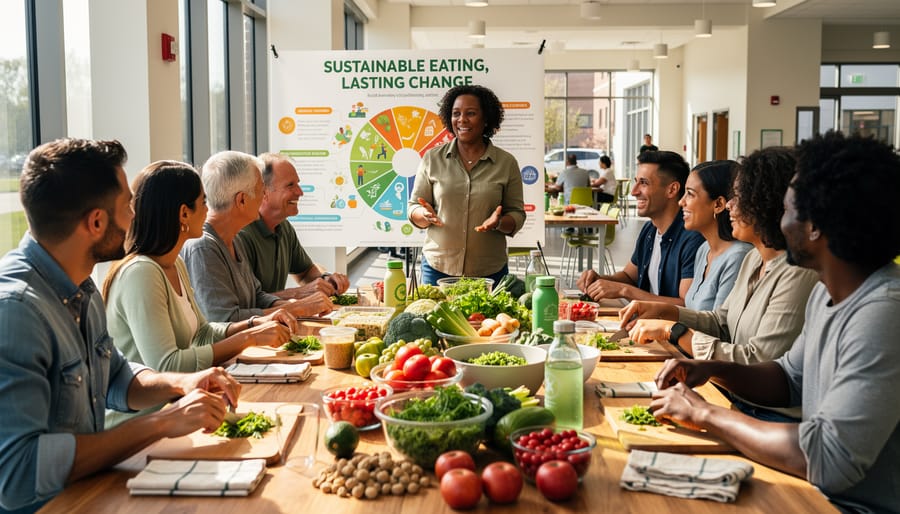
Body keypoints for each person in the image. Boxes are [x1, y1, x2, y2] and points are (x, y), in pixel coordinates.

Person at [648, 131, 900, 513]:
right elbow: (789, 378)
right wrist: (708, 368)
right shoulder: (826, 292)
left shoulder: (882, 313)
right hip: (809, 488)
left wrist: (704, 413)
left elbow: (829, 458)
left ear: (814, 226)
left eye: (786, 210)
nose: (779, 224)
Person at [0, 139, 240, 513]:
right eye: (128, 204)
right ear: (96, 222)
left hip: (96, 489)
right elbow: (17, 474)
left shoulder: (79, 285)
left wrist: (181, 382)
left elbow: (116, 379)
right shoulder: (15, 312)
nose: (135, 213)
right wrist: (162, 422)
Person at [102, 161, 299, 427]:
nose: (209, 210)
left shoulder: (175, 264)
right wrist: (249, 338)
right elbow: (167, 364)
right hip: (145, 427)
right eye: (203, 202)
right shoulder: (142, 273)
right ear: (184, 213)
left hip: (182, 411)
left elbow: (203, 333)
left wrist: (253, 324)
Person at [181, 151, 333, 323]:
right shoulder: (203, 248)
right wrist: (296, 307)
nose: (263, 198)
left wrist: (296, 304)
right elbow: (224, 319)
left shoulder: (233, 239)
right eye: (261, 190)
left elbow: (256, 296)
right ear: (242, 200)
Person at [408, 84, 526, 285]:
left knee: (490, 319)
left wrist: (498, 223)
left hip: (490, 271)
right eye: (456, 113)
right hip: (438, 268)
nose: (462, 119)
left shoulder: (506, 163)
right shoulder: (432, 159)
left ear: (486, 118)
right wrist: (424, 215)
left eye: (470, 113)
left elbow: (517, 214)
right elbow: (413, 208)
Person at [577, 150, 705, 305]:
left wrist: (624, 290)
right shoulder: (649, 230)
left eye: (644, 183)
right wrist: (600, 280)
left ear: (672, 190)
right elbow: (629, 276)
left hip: (665, 327)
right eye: (636, 181)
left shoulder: (693, 239)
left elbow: (686, 305)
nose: (634, 191)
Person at [237, 153, 350, 300]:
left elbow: (305, 272)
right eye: (290, 185)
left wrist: (326, 278)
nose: (300, 192)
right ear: (263, 192)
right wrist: (298, 293)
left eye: (297, 184)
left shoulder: (283, 226)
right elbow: (246, 302)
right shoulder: (241, 235)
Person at [680, 160, 752, 310]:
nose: (681, 202)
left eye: (690, 194)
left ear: (718, 204)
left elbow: (719, 327)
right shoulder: (704, 249)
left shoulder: (737, 257)